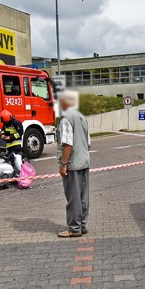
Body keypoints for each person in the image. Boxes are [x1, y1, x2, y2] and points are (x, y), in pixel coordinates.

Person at [57, 90, 91, 238]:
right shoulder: (82, 117)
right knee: (84, 196)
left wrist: (64, 163)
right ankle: (82, 225)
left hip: (73, 164)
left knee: (73, 197)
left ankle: (74, 228)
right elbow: (88, 143)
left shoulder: (66, 118)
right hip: (84, 161)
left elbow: (67, 144)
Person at [0, 110, 24, 175]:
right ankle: (13, 172)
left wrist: (10, 137)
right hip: (9, 145)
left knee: (13, 158)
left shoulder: (16, 123)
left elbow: (20, 133)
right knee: (9, 159)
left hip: (16, 144)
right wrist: (2, 135)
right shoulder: (5, 124)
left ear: (5, 119)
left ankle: (19, 172)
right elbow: (3, 130)